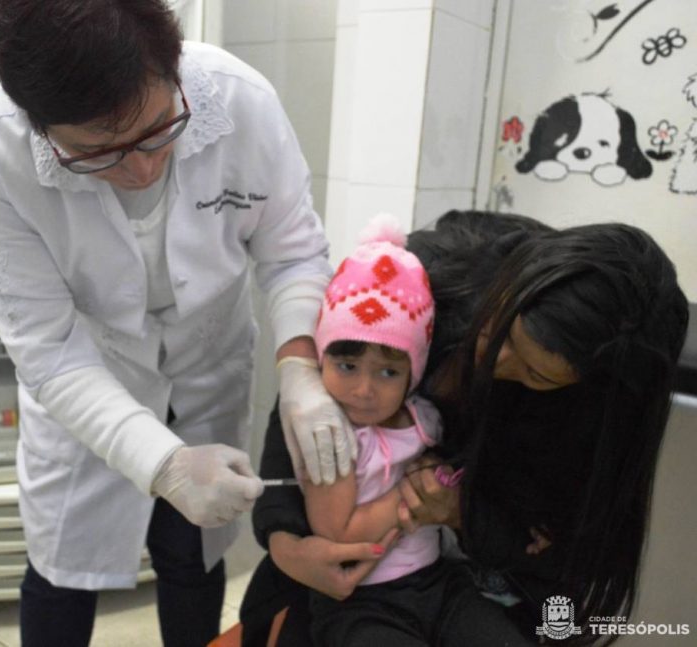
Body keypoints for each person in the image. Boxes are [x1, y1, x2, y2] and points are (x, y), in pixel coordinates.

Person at [0, 2, 353, 646]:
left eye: (157, 130)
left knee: (192, 557)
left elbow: (292, 254)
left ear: (173, 68)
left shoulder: (240, 100)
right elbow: (48, 348)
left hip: (208, 371)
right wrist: (166, 467)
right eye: (96, 153)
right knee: (63, 569)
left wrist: (299, 365)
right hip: (91, 382)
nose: (141, 169)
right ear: (41, 129)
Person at [241, 210, 689, 646]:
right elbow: (312, 397)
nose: (495, 361)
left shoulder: (584, 419)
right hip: (350, 591)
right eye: (504, 334)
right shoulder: (429, 275)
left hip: (462, 583)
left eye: (535, 374)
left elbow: (549, 548)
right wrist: (285, 543)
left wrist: (460, 513)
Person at [301, 214, 455, 645]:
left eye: (388, 372)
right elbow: (338, 534)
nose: (364, 390)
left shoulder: (426, 417)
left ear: (413, 373)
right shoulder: (330, 436)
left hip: (437, 580)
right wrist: (418, 489)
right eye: (347, 366)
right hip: (362, 598)